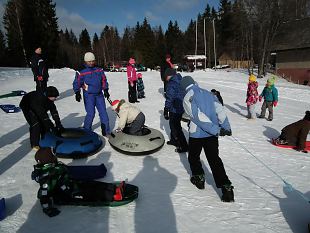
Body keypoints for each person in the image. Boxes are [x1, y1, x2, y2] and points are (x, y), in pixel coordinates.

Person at [32, 147, 135, 217]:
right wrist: (48, 209)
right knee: (91, 193)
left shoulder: (54, 166)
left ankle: (114, 188)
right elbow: (44, 194)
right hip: (67, 194)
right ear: (48, 159)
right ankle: (114, 196)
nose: (55, 157)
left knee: (92, 184)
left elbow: (63, 172)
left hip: (72, 184)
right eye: (53, 156)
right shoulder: (48, 176)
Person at [180, 76, 234, 202]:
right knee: (214, 159)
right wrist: (226, 126)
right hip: (212, 135)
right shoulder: (209, 93)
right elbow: (220, 110)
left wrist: (217, 129)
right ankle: (226, 188)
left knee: (193, 157)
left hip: (197, 134)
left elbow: (198, 117)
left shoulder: (188, 97)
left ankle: (199, 178)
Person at [73, 52, 111, 136]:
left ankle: (106, 131)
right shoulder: (81, 71)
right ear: (85, 61)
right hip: (89, 95)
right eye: (89, 61)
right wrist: (77, 92)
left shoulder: (99, 69)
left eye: (92, 61)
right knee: (91, 113)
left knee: (103, 112)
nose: (91, 63)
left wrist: (106, 90)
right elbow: (77, 82)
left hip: (99, 95)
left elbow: (104, 80)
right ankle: (86, 129)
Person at [164, 68, 188, 153]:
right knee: (172, 124)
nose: (165, 78)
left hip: (175, 108)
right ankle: (174, 140)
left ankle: (184, 146)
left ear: (169, 75)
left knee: (176, 127)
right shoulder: (180, 80)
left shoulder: (171, 84)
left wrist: (166, 108)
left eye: (166, 76)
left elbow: (170, 97)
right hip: (181, 107)